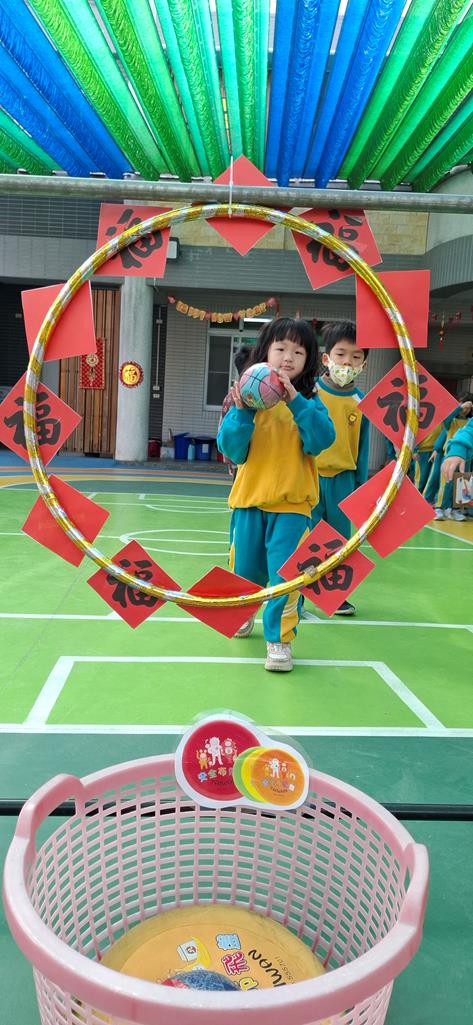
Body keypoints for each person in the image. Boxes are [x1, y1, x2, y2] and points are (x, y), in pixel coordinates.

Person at [217, 317, 335, 673]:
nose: (288, 357)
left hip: (293, 508)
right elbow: (232, 450)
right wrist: (242, 412)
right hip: (249, 503)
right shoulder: (246, 399)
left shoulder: (310, 402)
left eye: (298, 352)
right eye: (281, 348)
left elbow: (321, 440)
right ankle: (243, 611)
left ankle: (279, 639)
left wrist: (296, 402)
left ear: (308, 361)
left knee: (287, 578)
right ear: (265, 352)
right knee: (244, 572)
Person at [310, 321, 370, 616]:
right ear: (326, 358)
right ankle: (297, 592)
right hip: (309, 476)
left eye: (356, 357)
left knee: (340, 540)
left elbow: (363, 448)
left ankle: (336, 596)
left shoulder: (362, 401)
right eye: (341, 354)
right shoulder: (310, 393)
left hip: (344, 481)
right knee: (305, 538)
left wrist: (361, 487)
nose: (347, 362)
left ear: (364, 364)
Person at [432, 397, 473, 521]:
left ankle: (457, 509)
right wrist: (459, 408)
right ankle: (440, 507)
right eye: (463, 406)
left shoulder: (469, 421)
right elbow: (446, 419)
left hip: (467, 457)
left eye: (468, 407)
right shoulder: (452, 420)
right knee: (446, 481)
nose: (465, 410)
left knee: (463, 482)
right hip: (450, 455)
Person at [218, 344, 252, 479]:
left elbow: (221, 430)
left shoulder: (230, 397)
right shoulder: (242, 398)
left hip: (238, 463)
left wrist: (228, 461)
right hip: (245, 463)